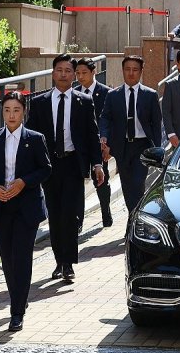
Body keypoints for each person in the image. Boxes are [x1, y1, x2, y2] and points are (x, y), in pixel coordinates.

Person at [0, 92, 52, 332]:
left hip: (26, 207)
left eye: (16, 110)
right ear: (2, 112)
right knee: (7, 257)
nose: (11, 115)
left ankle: (16, 311)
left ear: (24, 112)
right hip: (2, 206)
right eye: (7, 110)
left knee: (21, 257)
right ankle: (19, 296)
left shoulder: (35, 139)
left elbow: (46, 168)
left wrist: (23, 182)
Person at [26, 54, 104, 282]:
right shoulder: (40, 103)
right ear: (52, 73)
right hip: (49, 166)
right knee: (55, 215)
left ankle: (68, 263)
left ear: (74, 75)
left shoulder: (83, 101)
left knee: (70, 215)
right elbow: (31, 136)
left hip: (73, 164)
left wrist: (97, 164)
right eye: (59, 70)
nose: (63, 74)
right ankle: (59, 260)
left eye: (68, 71)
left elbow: (92, 135)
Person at [99, 56, 163, 214]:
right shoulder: (113, 95)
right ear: (122, 71)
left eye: (135, 70)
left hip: (142, 146)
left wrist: (158, 149)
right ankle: (133, 216)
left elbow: (157, 123)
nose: (131, 73)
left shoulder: (150, 94)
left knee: (138, 183)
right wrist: (104, 136)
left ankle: (135, 218)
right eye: (127, 69)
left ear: (141, 71)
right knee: (127, 186)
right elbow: (105, 117)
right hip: (122, 146)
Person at [74, 58, 113, 229]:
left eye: (84, 73)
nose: (80, 77)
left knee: (102, 180)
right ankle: (79, 221)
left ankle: (106, 212)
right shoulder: (74, 93)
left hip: (99, 144)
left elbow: (111, 120)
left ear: (93, 72)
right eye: (78, 73)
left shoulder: (106, 93)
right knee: (78, 182)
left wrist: (108, 144)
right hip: (80, 146)